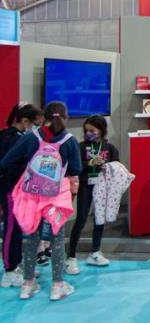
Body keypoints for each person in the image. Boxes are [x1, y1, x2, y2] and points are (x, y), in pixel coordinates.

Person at [0, 102, 81, 301]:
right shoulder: (70, 141)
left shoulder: (31, 137)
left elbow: (6, 160)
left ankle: (27, 285)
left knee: (30, 239)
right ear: (65, 117)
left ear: (43, 117)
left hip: (31, 195)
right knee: (56, 238)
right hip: (56, 196)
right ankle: (57, 286)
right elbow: (76, 169)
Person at [65, 115, 120, 275]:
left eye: (92, 130)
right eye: (86, 131)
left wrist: (108, 167)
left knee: (99, 219)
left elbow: (117, 167)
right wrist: (89, 163)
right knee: (81, 219)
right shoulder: (80, 147)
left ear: (101, 131)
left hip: (103, 187)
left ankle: (95, 252)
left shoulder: (109, 148)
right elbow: (74, 167)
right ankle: (71, 257)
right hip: (85, 187)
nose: (89, 133)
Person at [0, 104, 42, 288]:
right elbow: (6, 165)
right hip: (9, 189)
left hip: (18, 190)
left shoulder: (20, 137)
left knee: (17, 229)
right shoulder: (8, 138)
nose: (36, 128)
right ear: (25, 121)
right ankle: (8, 271)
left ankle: (15, 264)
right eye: (35, 124)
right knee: (10, 228)